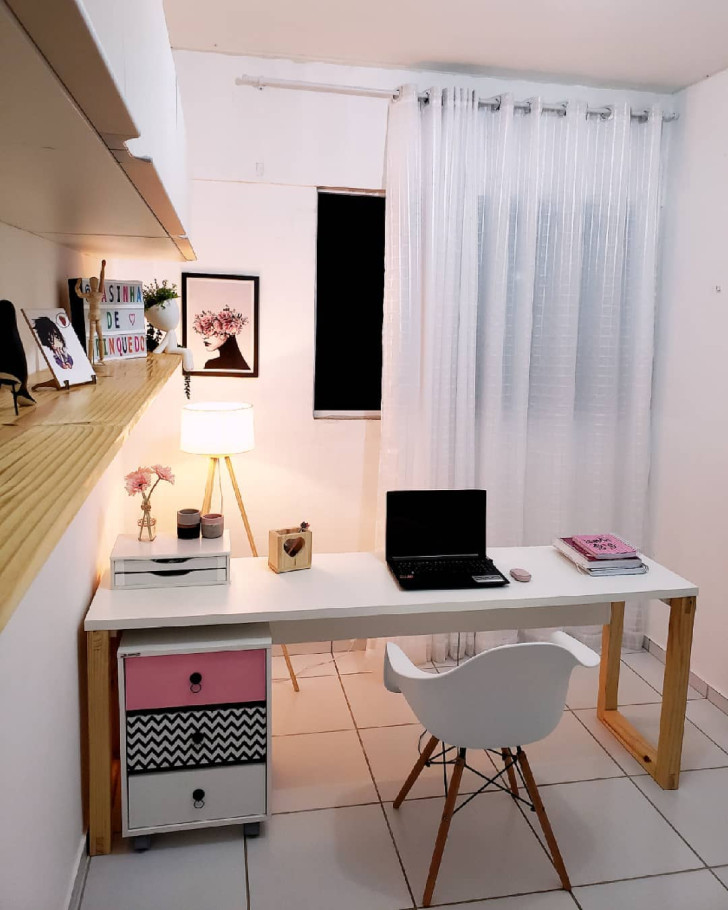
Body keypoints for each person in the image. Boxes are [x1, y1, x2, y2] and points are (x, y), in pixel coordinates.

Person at [192, 305, 250, 371]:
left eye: (211, 331)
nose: (204, 337)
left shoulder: (211, 365)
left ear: (227, 332)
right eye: (204, 332)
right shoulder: (242, 366)